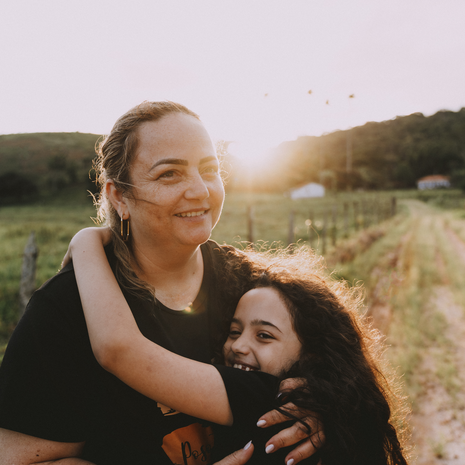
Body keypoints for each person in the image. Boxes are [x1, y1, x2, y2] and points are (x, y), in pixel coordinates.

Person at [0, 101, 319, 465]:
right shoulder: (66, 310)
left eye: (209, 169)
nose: (200, 190)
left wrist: (324, 411)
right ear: (119, 196)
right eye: (170, 174)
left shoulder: (250, 289)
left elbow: (329, 382)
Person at [65, 228, 410, 465]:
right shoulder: (330, 411)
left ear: (313, 353)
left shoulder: (263, 396)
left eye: (264, 335)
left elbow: (117, 349)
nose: (239, 346)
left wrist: (85, 243)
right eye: (234, 331)